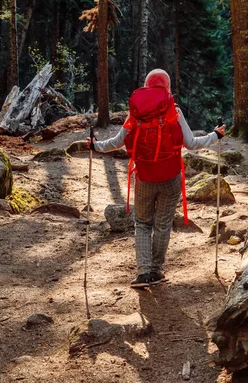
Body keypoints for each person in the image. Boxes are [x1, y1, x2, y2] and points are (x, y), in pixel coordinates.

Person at [87, 69, 225, 289]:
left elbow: (117, 141)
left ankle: (143, 272)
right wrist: (215, 135)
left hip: (144, 176)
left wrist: (96, 145)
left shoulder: (136, 113)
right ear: (167, 87)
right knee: (162, 225)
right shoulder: (174, 111)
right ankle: (156, 271)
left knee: (142, 223)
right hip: (171, 176)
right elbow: (191, 143)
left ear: (147, 85)